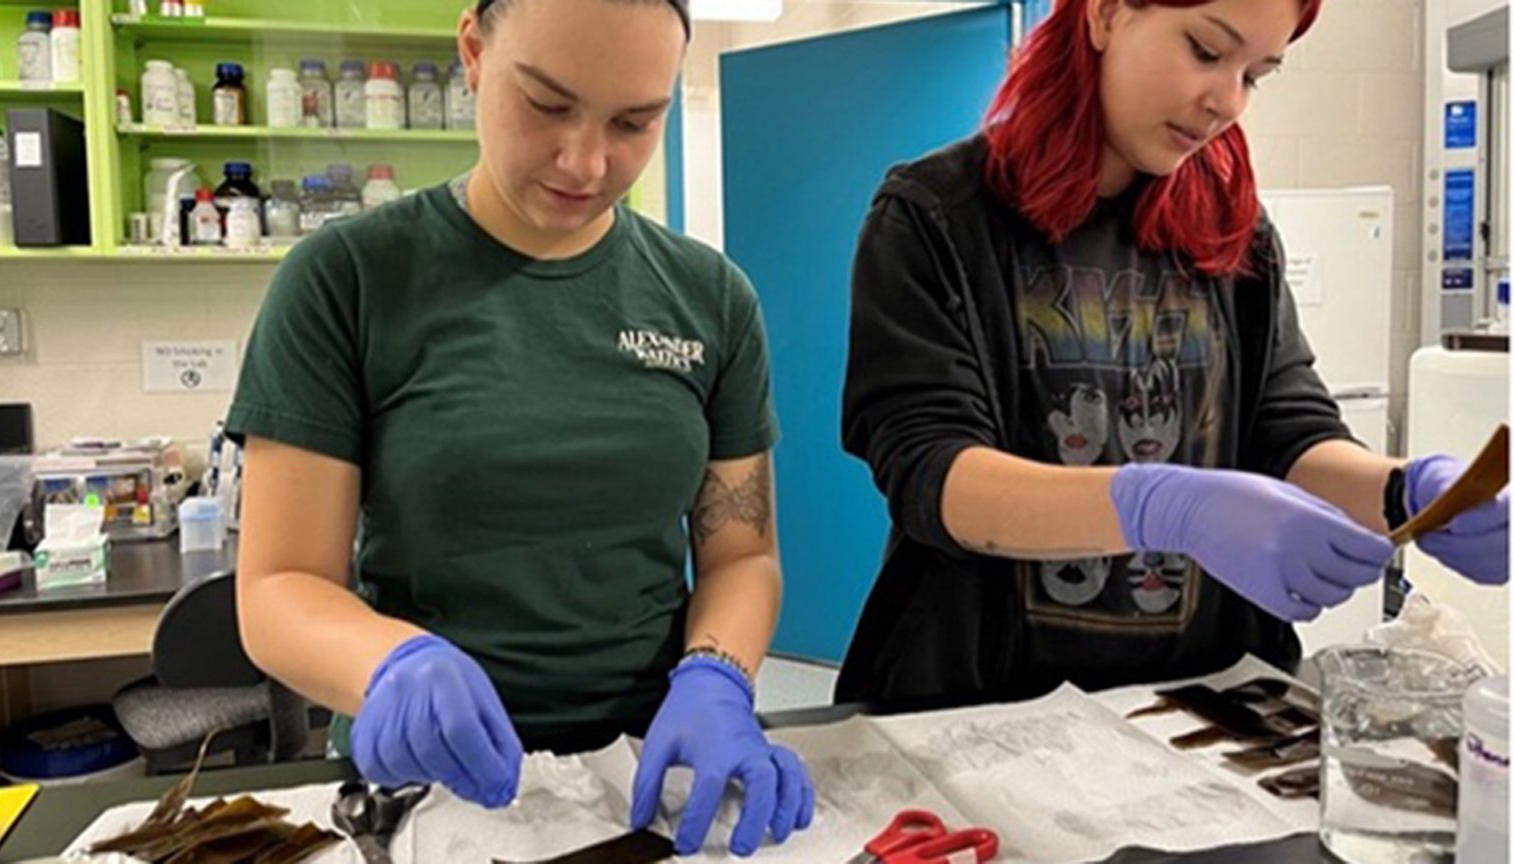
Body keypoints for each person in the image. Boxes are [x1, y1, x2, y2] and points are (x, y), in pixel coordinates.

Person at [224, 0, 814, 856]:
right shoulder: (345, 281)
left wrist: (718, 676)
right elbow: (279, 584)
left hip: (647, 778)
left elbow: (741, 552)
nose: (586, 161)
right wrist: (387, 663)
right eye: (546, 104)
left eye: (634, 122)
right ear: (472, 51)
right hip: (422, 787)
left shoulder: (710, 300)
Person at [836, 0, 1509, 707]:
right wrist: (1160, 506)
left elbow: (1288, 431)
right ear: (1105, 14)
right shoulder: (937, 216)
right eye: (1206, 51)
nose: (1227, 102)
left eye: (1256, 74)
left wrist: (1407, 492)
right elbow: (936, 476)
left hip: (1203, 704)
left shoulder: (1232, 228)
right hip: (983, 704)